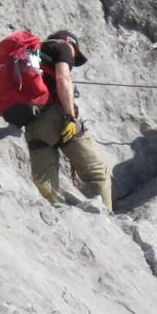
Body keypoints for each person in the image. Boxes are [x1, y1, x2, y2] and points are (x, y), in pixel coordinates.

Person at [23, 30, 113, 212]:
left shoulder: (31, 54)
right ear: (70, 42)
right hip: (57, 118)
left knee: (45, 182)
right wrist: (70, 117)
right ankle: (108, 221)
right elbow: (63, 78)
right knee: (97, 173)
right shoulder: (64, 47)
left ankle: (54, 216)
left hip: (33, 126)